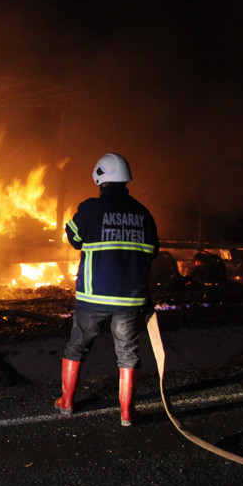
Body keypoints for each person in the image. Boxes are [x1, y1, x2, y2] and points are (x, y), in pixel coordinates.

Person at [56, 153, 159, 426]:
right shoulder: (143, 213)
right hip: (129, 299)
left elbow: (74, 239)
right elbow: (151, 252)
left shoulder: (90, 208)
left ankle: (66, 403)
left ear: (100, 179)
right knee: (127, 352)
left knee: (77, 347)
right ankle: (127, 413)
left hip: (93, 296)